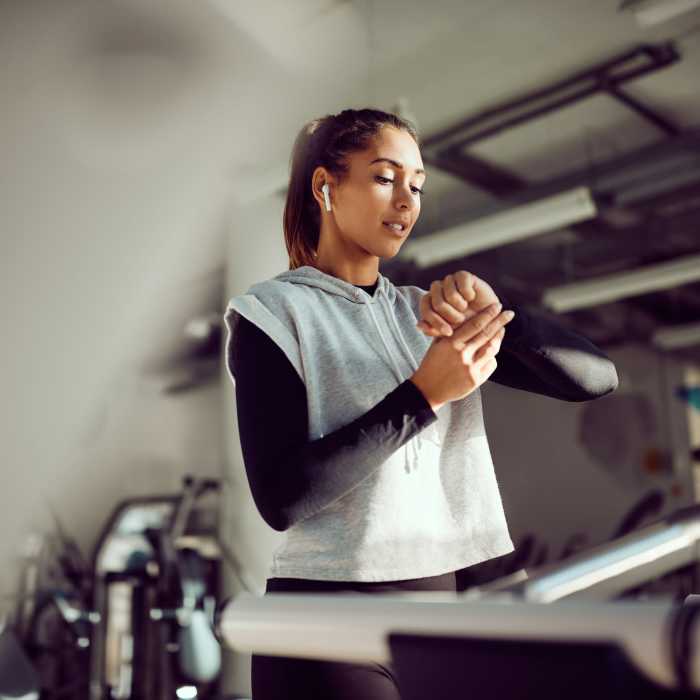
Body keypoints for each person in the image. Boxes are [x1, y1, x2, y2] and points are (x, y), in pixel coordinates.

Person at [223, 108, 619, 699]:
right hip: (326, 626)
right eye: (385, 177)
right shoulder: (271, 316)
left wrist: (497, 312)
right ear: (325, 185)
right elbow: (283, 497)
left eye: (417, 184)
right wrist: (425, 395)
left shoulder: (424, 313)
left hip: (447, 616)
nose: (406, 200)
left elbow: (596, 378)